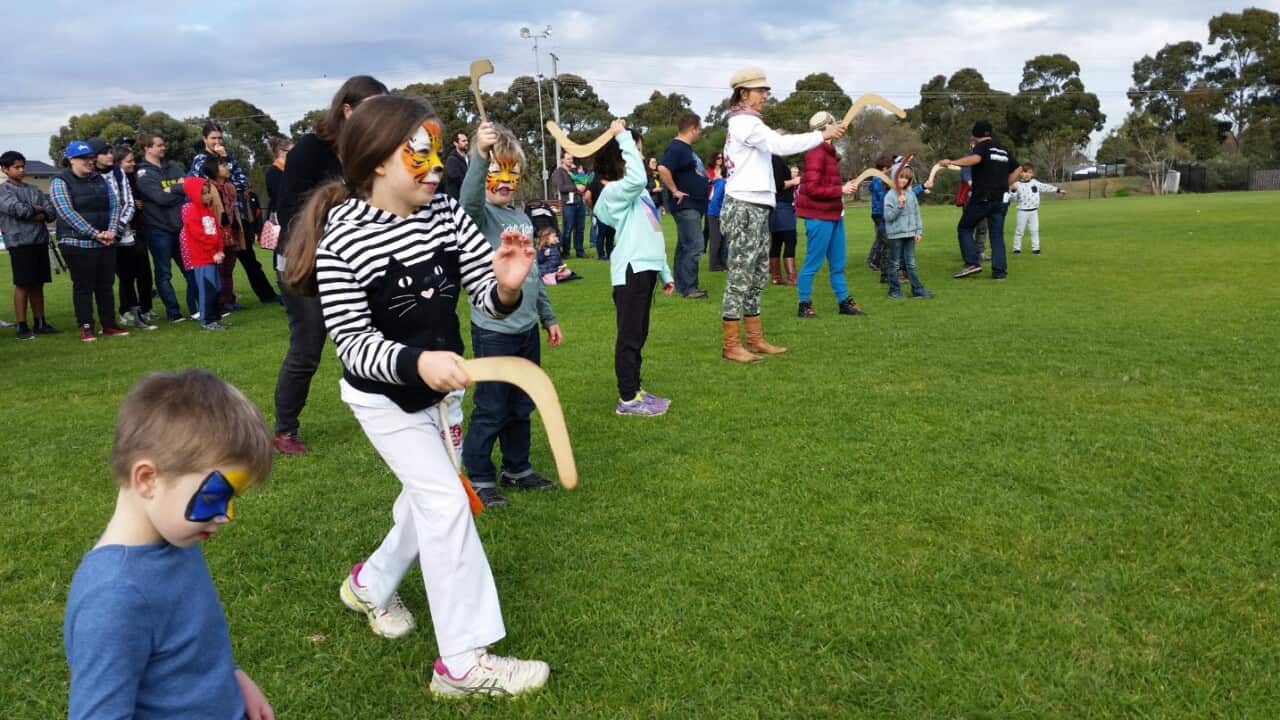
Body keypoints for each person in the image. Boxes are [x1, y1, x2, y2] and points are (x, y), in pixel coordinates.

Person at [281, 94, 550, 697]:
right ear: (378, 160)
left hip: (442, 396)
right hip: (384, 401)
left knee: (423, 502)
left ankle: (369, 585)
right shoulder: (342, 238)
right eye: (418, 155)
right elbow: (353, 344)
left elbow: (485, 294)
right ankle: (463, 665)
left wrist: (507, 287)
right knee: (447, 503)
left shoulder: (447, 214)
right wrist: (419, 362)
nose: (434, 168)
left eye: (437, 153)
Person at [63, 369, 274, 720]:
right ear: (147, 479)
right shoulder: (114, 598)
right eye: (215, 496)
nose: (226, 515)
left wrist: (233, 679)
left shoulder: (177, 539)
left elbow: (191, 646)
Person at [272, 74, 388, 456]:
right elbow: (290, 213)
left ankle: (381, 409)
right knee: (307, 347)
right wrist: (322, 250)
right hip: (302, 261)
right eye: (372, 107)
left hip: (349, 256)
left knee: (367, 334)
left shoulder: (366, 150)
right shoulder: (309, 151)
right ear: (347, 109)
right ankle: (284, 430)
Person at [459, 121, 563, 508]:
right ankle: (479, 476)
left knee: (522, 404)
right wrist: (478, 155)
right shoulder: (479, 216)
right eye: (496, 172)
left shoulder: (522, 217)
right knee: (492, 406)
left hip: (526, 330)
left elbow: (531, 276)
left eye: (512, 173)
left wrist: (547, 317)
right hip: (493, 331)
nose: (505, 182)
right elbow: (468, 201)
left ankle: (517, 469)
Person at [719, 67, 844, 363]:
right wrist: (822, 134)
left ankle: (754, 339)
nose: (765, 95)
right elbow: (781, 145)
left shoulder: (750, 123)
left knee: (757, 275)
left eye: (766, 90)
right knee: (740, 275)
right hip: (744, 206)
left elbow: (776, 145)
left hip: (757, 206)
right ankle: (731, 345)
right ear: (743, 93)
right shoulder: (744, 123)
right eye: (760, 90)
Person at [593, 120, 676, 416]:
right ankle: (627, 398)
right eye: (636, 151)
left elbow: (653, 233)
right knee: (629, 336)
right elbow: (638, 178)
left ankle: (636, 390)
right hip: (631, 270)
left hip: (646, 269)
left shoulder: (636, 193)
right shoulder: (616, 191)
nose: (640, 156)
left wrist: (665, 272)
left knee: (639, 334)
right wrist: (624, 138)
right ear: (622, 155)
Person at [50, 140, 129, 342]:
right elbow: (66, 212)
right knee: (83, 287)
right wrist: (94, 233)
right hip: (76, 243)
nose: (89, 161)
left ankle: (109, 324)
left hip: (105, 242)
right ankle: (86, 326)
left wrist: (112, 230)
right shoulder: (60, 181)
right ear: (71, 159)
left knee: (106, 286)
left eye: (90, 158)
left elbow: (114, 205)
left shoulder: (99, 179)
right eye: (83, 158)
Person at [793, 111, 864, 319]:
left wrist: (843, 188)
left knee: (838, 264)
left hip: (834, 215)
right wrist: (841, 189)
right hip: (819, 217)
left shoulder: (829, 152)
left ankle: (844, 302)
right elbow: (812, 188)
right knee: (812, 263)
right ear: (827, 128)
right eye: (835, 125)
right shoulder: (816, 153)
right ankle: (804, 304)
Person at [939, 120, 1022, 279]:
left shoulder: (981, 146)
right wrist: (1005, 184)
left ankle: (972, 263)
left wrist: (951, 162)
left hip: (983, 197)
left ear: (974, 134)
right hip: (1001, 199)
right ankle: (999, 272)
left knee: (964, 227)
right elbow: (1018, 168)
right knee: (997, 235)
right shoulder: (1003, 149)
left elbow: (976, 159)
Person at [136, 134, 195, 323]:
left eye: (163, 144)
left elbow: (189, 188)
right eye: (159, 145)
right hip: (158, 229)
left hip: (181, 227)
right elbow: (160, 198)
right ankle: (173, 312)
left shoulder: (174, 167)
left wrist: (173, 189)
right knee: (164, 273)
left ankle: (197, 307)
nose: (163, 148)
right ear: (147, 148)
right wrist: (178, 189)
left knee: (190, 269)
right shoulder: (143, 173)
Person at [0, 151, 58, 339]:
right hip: (19, 242)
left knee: (38, 283)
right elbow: (17, 210)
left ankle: (40, 322)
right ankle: (22, 325)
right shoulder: (3, 191)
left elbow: (51, 211)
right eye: (16, 167)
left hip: (40, 240)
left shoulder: (34, 189)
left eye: (22, 166)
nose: (21, 170)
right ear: (5, 169)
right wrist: (37, 210)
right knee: (23, 284)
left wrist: (34, 212)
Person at [104, 144, 157, 331]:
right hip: (118, 233)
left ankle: (144, 308)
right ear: (118, 163)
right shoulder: (112, 178)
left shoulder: (134, 179)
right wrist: (117, 228)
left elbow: (132, 203)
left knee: (143, 273)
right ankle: (126, 310)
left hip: (136, 231)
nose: (133, 164)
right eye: (129, 161)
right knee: (126, 275)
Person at [657, 113, 709, 299]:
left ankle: (681, 285)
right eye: (699, 128)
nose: (700, 132)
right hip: (687, 205)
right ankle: (689, 288)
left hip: (693, 205)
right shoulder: (677, 147)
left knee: (685, 246)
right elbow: (663, 168)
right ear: (693, 128)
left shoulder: (685, 149)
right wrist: (674, 190)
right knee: (695, 245)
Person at [179, 177, 228, 330]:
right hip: (202, 258)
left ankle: (216, 317)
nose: (208, 196)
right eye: (204, 193)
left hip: (213, 256)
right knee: (208, 289)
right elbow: (199, 236)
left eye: (208, 193)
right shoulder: (192, 211)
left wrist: (220, 250)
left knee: (217, 288)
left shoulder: (209, 211)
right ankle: (206, 320)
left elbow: (217, 232)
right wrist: (213, 251)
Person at [882, 161, 934, 300]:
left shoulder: (911, 194)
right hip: (895, 235)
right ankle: (894, 291)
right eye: (901, 177)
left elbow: (916, 213)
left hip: (910, 234)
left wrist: (918, 231)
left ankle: (917, 289)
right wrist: (899, 206)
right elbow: (888, 217)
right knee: (894, 264)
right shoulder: (890, 196)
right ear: (894, 177)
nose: (904, 180)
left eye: (907, 178)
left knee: (911, 263)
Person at [1010, 163, 1065, 254]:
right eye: (1024, 172)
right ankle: (1016, 249)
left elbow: (1045, 187)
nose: (1027, 174)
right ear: (1020, 173)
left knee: (1034, 230)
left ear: (1032, 174)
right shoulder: (1017, 184)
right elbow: (1013, 198)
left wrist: (1058, 190)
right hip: (1022, 211)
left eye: (1029, 172)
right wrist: (1013, 190)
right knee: (1019, 231)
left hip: (1034, 212)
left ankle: (1036, 249)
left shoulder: (1035, 183)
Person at [768, 159, 800, 286]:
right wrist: (793, 181)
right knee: (789, 240)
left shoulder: (768, 160)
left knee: (776, 242)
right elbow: (777, 185)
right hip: (782, 207)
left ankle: (776, 277)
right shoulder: (774, 160)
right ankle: (791, 277)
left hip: (774, 206)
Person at [552, 150, 586, 258]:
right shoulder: (559, 172)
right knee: (568, 229)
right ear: (562, 160)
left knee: (580, 229)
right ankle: (566, 252)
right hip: (568, 205)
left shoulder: (575, 171)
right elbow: (562, 188)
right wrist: (576, 187)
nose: (571, 160)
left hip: (579, 203)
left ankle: (580, 251)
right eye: (568, 159)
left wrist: (582, 177)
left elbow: (583, 183)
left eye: (572, 158)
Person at [706, 171, 727, 271]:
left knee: (723, 240)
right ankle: (714, 265)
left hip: (718, 213)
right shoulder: (723, 183)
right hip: (716, 213)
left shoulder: (722, 182)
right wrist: (719, 213)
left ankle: (722, 264)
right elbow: (715, 199)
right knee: (716, 240)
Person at [443, 131, 469, 201]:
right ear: (455, 143)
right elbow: (459, 180)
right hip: (457, 200)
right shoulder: (452, 160)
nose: (466, 143)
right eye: (463, 141)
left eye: (467, 140)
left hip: (468, 198)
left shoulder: (469, 157)